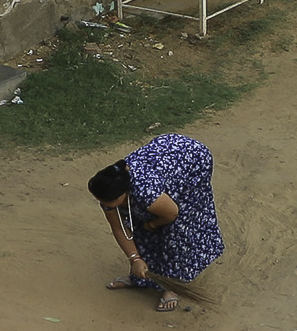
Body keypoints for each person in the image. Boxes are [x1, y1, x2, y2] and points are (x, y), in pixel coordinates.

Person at [89, 133, 223, 311]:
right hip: (164, 157)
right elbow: (119, 228)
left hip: (191, 160)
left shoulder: (147, 193)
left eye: (108, 202)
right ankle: (139, 276)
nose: (104, 205)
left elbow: (171, 213)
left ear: (124, 194)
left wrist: (152, 224)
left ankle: (172, 286)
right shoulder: (109, 192)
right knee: (140, 227)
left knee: (176, 230)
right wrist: (134, 259)